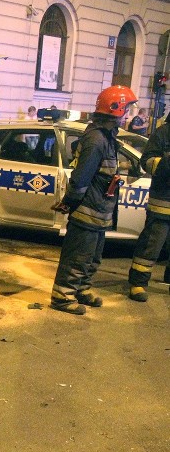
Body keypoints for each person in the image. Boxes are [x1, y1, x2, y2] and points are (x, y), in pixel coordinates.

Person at [50, 85, 138, 315]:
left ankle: (81, 289)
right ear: (115, 109)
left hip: (99, 209)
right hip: (87, 210)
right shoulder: (96, 139)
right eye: (126, 109)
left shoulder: (106, 136)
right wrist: (71, 203)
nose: (128, 114)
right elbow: (81, 179)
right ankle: (62, 297)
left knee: (92, 257)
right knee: (77, 256)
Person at [127, 112, 170, 301]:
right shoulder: (163, 133)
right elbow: (147, 162)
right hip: (162, 204)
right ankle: (138, 283)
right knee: (150, 246)